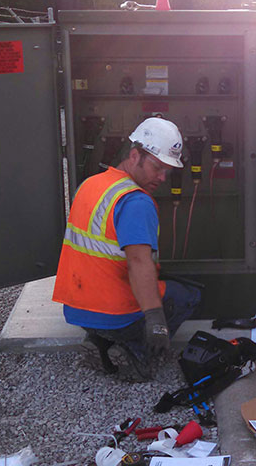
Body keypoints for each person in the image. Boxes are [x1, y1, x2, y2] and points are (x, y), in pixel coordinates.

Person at [52, 117, 200, 381]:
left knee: (149, 286)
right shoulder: (136, 202)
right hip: (113, 312)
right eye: (157, 167)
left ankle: (99, 342)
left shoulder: (91, 184)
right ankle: (137, 356)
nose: (163, 177)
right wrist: (155, 320)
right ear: (135, 155)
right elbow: (138, 263)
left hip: (76, 308)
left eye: (168, 171)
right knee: (186, 295)